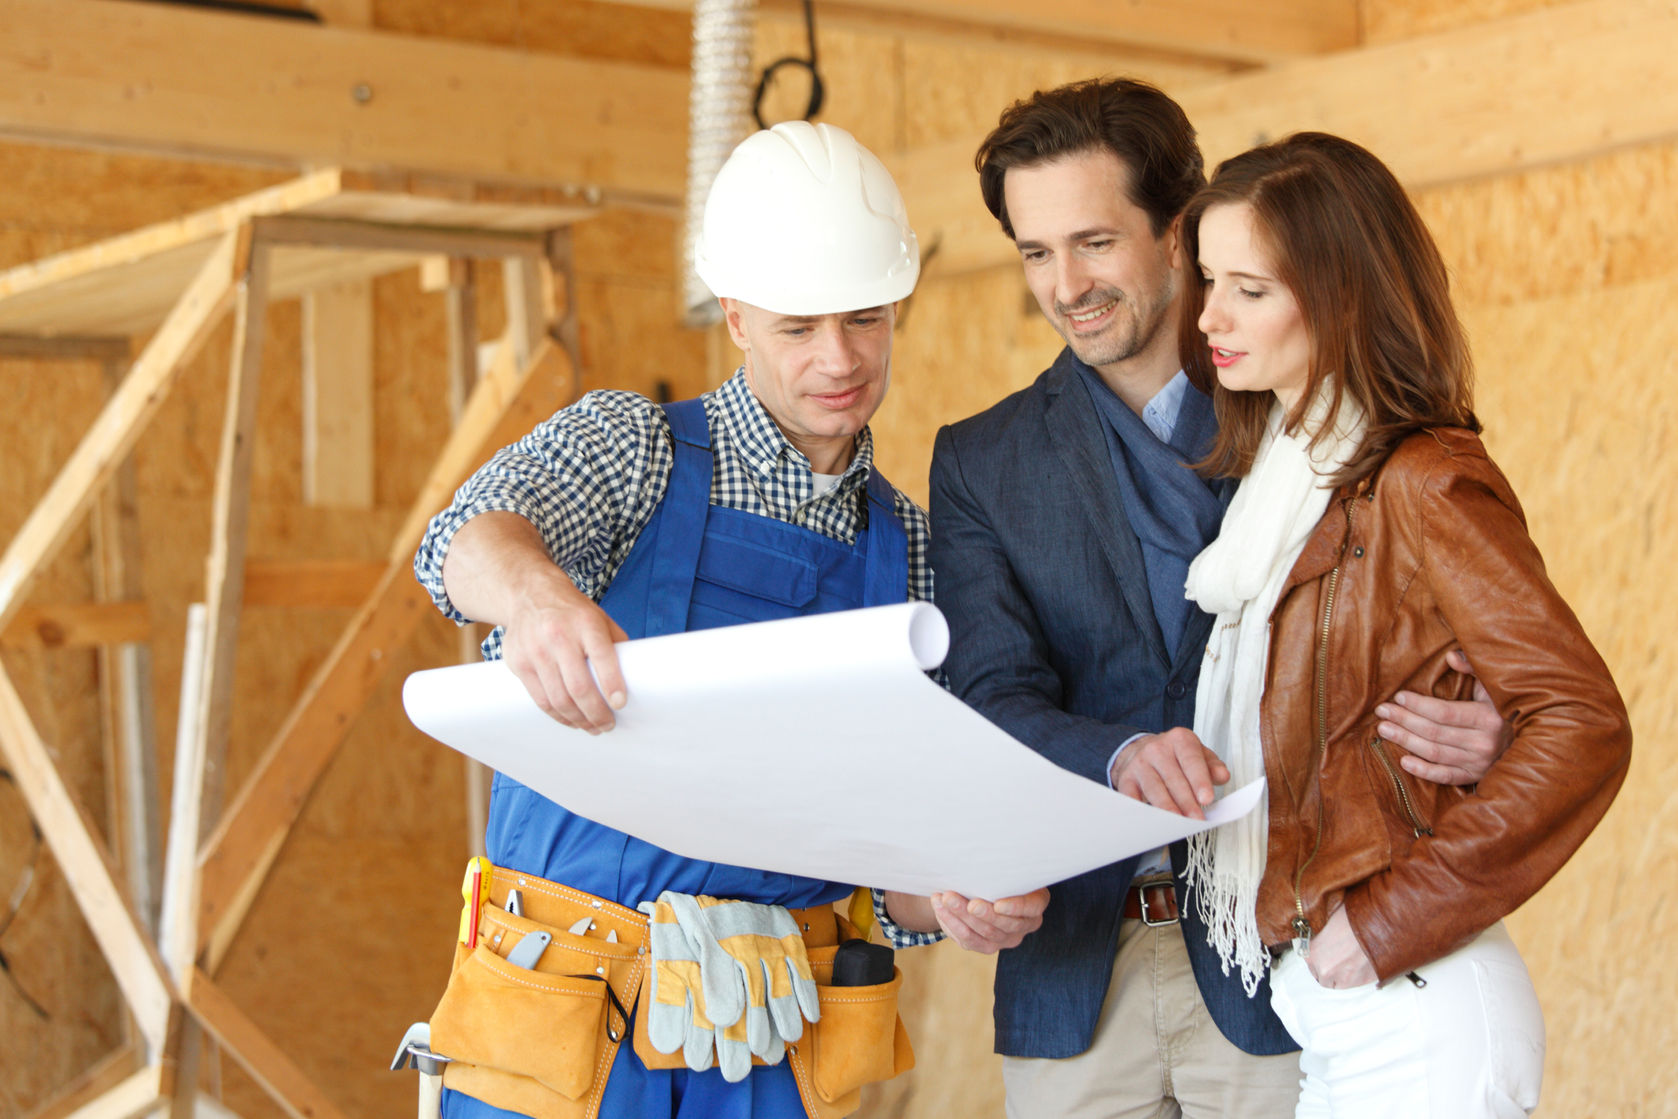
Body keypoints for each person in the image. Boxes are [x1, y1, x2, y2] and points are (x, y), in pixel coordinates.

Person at [875, 79, 1514, 1119]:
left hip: (1287, 964)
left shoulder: (1314, 414)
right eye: (1035, 253)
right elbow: (990, 696)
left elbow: (1446, 637)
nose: (1065, 285)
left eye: (1094, 242)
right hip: (1073, 970)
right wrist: (1118, 752)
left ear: (1179, 232)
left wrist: (1490, 724)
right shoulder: (981, 461)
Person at [411, 121, 1043, 1119]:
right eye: (798, 329)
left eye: (864, 319)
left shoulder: (915, 558)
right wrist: (533, 598)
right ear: (737, 317)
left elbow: (886, 863)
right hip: (563, 1037)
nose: (838, 358)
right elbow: (461, 539)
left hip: (766, 1050)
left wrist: (951, 898)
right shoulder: (633, 450)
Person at [1180, 130, 1630, 1117]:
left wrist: (1386, 924)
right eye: (1209, 280)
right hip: (1334, 1007)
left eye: (1249, 288)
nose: (1209, 314)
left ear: (1338, 297)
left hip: (1414, 1004)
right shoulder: (1279, 489)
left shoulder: (1423, 482)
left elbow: (1582, 722)